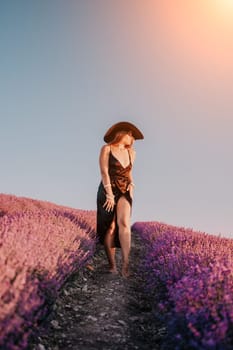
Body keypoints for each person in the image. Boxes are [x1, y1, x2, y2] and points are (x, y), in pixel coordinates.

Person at [96, 121, 144, 277]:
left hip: (125, 189)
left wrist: (132, 183)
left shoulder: (132, 153)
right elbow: (104, 172)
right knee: (109, 227)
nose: (132, 138)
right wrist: (109, 193)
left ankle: (125, 264)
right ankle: (112, 266)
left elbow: (129, 172)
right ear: (122, 134)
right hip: (108, 187)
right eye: (130, 135)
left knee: (124, 223)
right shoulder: (107, 149)